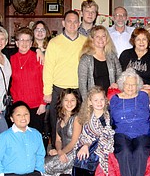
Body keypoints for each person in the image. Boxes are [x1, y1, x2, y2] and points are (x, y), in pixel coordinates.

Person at [109, 68, 150, 176]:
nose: (130, 87)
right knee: (125, 151)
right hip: (122, 133)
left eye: (134, 84)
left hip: (142, 133)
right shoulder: (114, 99)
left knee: (140, 150)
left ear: (138, 85)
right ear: (122, 84)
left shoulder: (143, 96)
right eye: (127, 84)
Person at [43, 10, 87, 148]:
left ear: (79, 24)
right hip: (58, 89)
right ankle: (58, 154)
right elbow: (48, 68)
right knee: (56, 124)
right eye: (69, 21)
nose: (72, 24)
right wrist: (47, 92)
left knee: (78, 124)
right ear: (63, 23)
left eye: (75, 21)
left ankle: (76, 155)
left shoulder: (86, 42)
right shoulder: (54, 43)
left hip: (78, 89)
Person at [0, 101, 48, 176]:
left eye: (26, 114)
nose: (23, 117)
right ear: (12, 119)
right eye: (18, 115)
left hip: (31, 173)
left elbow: (40, 154)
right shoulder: (4, 137)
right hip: (11, 175)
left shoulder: (35, 134)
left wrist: (39, 170)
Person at [41, 89, 83, 176]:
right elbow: (58, 140)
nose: (69, 103)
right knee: (41, 164)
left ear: (77, 101)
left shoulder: (77, 118)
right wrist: (58, 150)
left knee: (44, 167)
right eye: (66, 100)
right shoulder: (60, 118)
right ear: (61, 101)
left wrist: (61, 153)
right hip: (63, 152)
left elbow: (74, 142)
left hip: (75, 153)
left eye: (72, 100)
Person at [76, 86, 115, 176]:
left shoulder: (109, 114)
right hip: (91, 143)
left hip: (109, 142)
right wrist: (85, 145)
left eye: (101, 99)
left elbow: (114, 130)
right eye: (96, 100)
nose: (99, 102)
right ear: (90, 102)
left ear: (105, 100)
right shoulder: (88, 117)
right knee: (82, 156)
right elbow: (85, 135)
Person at [10, 27, 46, 136]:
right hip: (18, 106)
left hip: (37, 106)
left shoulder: (39, 58)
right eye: (21, 40)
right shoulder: (10, 58)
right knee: (19, 136)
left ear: (31, 43)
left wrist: (43, 103)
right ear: (16, 43)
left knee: (35, 135)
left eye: (28, 40)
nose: (24, 43)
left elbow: (46, 80)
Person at [78, 25, 122, 100]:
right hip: (94, 100)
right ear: (92, 39)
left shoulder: (112, 56)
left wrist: (117, 84)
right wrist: (87, 102)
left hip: (111, 99)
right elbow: (82, 85)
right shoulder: (85, 59)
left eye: (103, 36)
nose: (101, 39)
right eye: (97, 36)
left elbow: (120, 74)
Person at [119, 28, 150, 92]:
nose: (141, 42)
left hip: (146, 90)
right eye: (138, 39)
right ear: (134, 41)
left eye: (144, 39)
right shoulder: (125, 54)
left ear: (148, 41)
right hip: (127, 89)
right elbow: (118, 74)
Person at [0, 27, 11, 133]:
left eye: (2, 39)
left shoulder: (5, 57)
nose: (0, 42)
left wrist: (38, 50)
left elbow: (24, 47)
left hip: (3, 107)